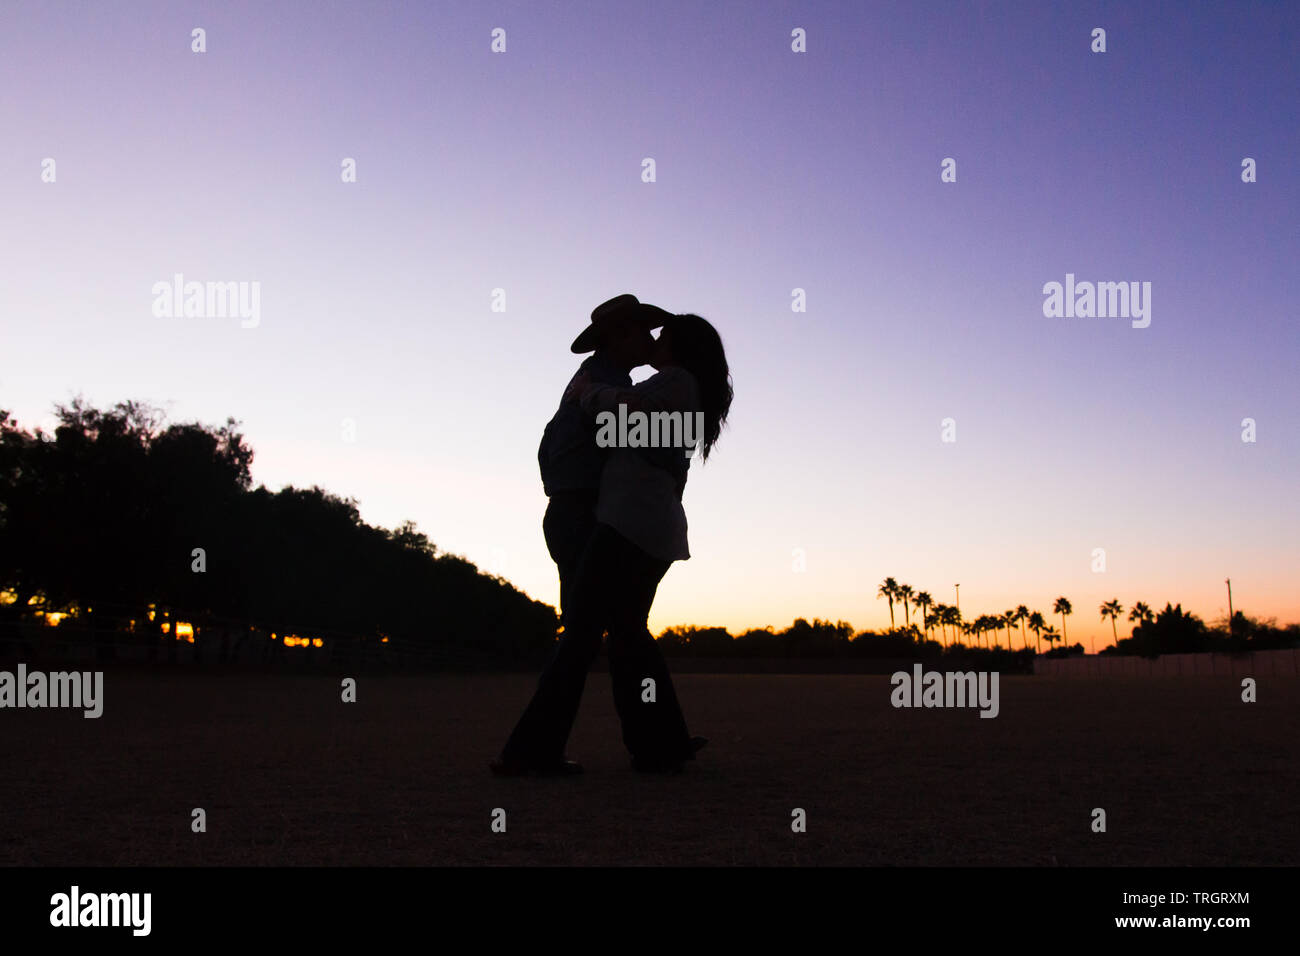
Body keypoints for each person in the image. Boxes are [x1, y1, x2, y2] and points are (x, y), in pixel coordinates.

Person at [492, 310, 733, 775]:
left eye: (660, 334)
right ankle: (658, 745)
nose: (652, 339)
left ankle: (535, 752)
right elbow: (582, 445)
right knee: (625, 633)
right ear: (620, 335)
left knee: (586, 633)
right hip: (631, 523)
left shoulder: (666, 382)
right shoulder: (657, 384)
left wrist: (592, 397)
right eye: (646, 330)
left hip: (627, 525)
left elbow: (631, 425)